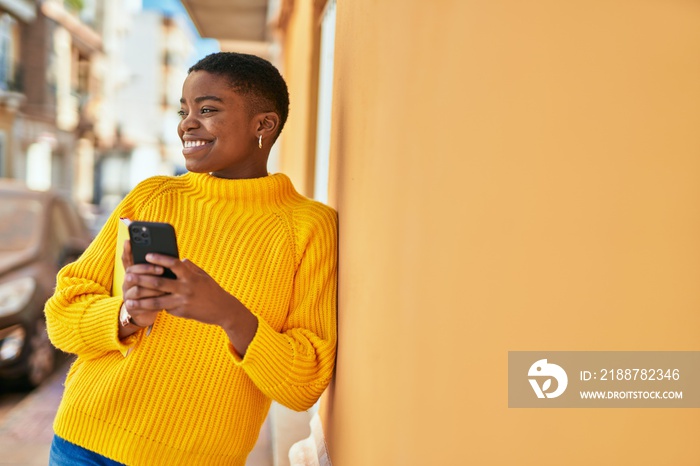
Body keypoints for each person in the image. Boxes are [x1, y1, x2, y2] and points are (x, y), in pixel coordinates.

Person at [44, 52, 338, 466]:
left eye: (208, 109)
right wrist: (128, 315)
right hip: (84, 444)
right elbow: (61, 315)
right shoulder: (153, 196)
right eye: (184, 110)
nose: (187, 123)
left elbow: (304, 383)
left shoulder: (309, 228)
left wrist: (227, 312)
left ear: (264, 125)